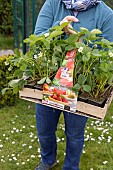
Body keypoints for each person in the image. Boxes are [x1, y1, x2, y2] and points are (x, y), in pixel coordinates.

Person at [34, 0, 113, 170]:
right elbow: (38, 38)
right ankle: (48, 160)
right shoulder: (53, 4)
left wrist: (81, 42)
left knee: (74, 134)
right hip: (49, 81)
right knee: (44, 130)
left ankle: (71, 167)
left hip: (80, 86)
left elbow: (108, 54)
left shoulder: (105, 14)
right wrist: (58, 28)